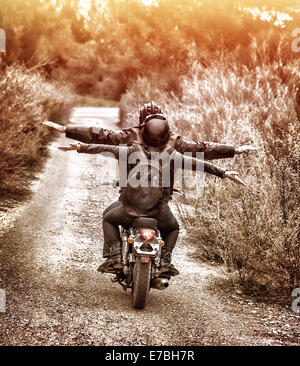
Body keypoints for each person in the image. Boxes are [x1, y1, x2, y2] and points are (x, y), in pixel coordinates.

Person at [43, 102, 256, 272]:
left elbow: (100, 138)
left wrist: (69, 133)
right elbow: (202, 152)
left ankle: (115, 256)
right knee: (172, 227)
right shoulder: (174, 148)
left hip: (130, 199)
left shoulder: (130, 142)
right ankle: (165, 260)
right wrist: (232, 156)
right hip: (160, 204)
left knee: (108, 216)